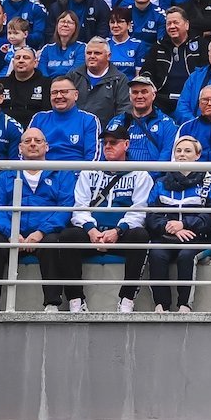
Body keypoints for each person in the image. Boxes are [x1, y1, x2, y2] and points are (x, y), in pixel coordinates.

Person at [66, 125, 154, 313]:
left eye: (113, 143)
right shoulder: (88, 172)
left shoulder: (140, 175)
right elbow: (79, 208)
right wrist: (91, 230)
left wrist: (117, 231)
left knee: (140, 235)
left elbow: (139, 211)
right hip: (92, 233)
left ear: (127, 144)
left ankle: (127, 299)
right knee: (67, 236)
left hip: (121, 234)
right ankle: (76, 299)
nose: (108, 146)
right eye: (105, 143)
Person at [0, 128, 78, 310]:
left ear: (47, 146)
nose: (33, 144)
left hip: (45, 233)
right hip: (13, 233)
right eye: (27, 141)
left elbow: (65, 208)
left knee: (53, 244)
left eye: (38, 140)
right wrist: (12, 233)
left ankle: (52, 303)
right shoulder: (7, 176)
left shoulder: (61, 174)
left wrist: (41, 232)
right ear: (20, 148)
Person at [145, 136, 211, 313]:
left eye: (188, 151)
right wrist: (169, 226)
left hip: (197, 238)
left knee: (186, 255)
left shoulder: (208, 182)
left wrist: (184, 224)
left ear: (198, 155)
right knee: (156, 254)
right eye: (179, 151)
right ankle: (161, 306)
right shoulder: (160, 183)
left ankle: (185, 305)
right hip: (165, 236)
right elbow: (151, 214)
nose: (182, 154)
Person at [146, 9, 209, 114]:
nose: (172, 26)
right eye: (168, 24)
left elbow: (207, 71)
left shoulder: (201, 44)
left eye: (176, 23)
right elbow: (147, 71)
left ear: (186, 25)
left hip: (193, 99)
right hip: (161, 100)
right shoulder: (158, 46)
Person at [29, 76, 101, 162]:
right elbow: (25, 150)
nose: (59, 96)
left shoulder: (89, 120)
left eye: (64, 92)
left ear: (76, 95)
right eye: (54, 92)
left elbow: (93, 158)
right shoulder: (39, 119)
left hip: (76, 173)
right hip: (43, 173)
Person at [107, 76, 177, 162]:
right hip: (122, 174)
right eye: (135, 92)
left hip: (153, 174)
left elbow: (166, 157)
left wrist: (147, 175)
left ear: (153, 95)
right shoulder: (117, 122)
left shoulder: (167, 124)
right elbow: (107, 152)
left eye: (144, 92)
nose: (139, 96)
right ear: (130, 96)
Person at [66, 38, 131, 121]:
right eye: (89, 53)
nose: (92, 56)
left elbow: (124, 111)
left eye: (97, 53)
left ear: (109, 56)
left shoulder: (120, 80)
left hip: (107, 132)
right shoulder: (73, 76)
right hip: (76, 129)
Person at [0, 46, 53, 125]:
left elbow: (47, 114)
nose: (21, 61)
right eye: (17, 58)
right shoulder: (1, 84)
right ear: (13, 63)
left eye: (26, 58)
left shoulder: (47, 84)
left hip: (35, 130)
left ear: (35, 63)